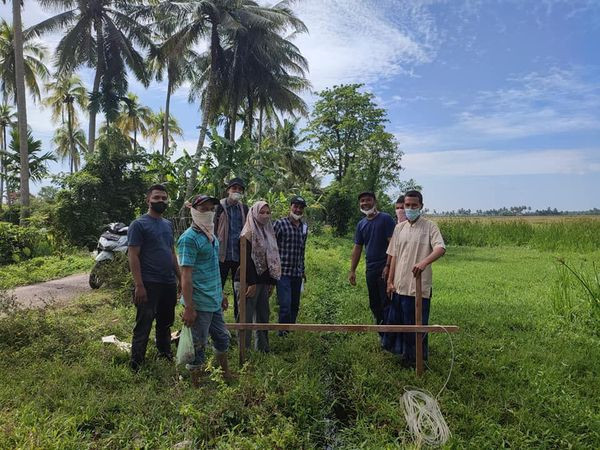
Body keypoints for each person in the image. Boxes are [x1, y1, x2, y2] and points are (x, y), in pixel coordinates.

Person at [385, 190, 446, 366]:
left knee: (417, 325)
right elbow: (394, 255)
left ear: (421, 206)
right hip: (399, 285)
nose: (410, 208)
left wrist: (424, 262)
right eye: (407, 205)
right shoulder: (399, 228)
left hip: (418, 287)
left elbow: (440, 248)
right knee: (400, 323)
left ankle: (416, 360)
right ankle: (402, 355)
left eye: (414, 205)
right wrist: (390, 281)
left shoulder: (430, 227)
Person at [178, 194, 233, 384]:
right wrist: (189, 307)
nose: (208, 212)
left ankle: (225, 373)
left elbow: (214, 268)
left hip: (213, 300)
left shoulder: (211, 236)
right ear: (193, 210)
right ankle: (197, 385)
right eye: (203, 209)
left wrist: (222, 294)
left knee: (222, 338)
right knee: (198, 345)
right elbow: (185, 275)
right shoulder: (189, 239)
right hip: (198, 303)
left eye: (211, 209)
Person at [128, 184, 181, 371]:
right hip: (149, 283)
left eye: (164, 198)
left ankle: (165, 354)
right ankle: (136, 363)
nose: (161, 201)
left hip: (168, 282)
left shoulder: (167, 225)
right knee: (144, 323)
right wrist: (139, 285)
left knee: (165, 322)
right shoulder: (139, 225)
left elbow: (171, 252)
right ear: (148, 200)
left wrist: (180, 278)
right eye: (157, 197)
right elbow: (133, 255)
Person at [348, 191, 396, 333]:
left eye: (368, 200)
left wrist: (388, 266)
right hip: (370, 269)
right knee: (374, 303)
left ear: (374, 201)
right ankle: (382, 332)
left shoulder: (385, 219)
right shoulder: (361, 224)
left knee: (386, 302)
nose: (365, 203)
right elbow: (357, 248)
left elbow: (393, 245)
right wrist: (352, 270)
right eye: (362, 201)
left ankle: (390, 335)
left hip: (384, 268)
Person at [239, 201, 281, 352]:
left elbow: (271, 258)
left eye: (267, 213)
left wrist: (271, 282)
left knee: (263, 316)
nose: (265, 216)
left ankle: (263, 350)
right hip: (248, 281)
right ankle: (245, 351)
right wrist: (251, 282)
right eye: (261, 212)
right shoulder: (248, 233)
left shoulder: (268, 232)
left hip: (263, 280)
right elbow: (246, 261)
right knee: (247, 317)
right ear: (254, 213)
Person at [214, 178, 248, 320]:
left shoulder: (244, 209)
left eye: (240, 190)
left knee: (239, 291)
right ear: (228, 190)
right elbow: (213, 228)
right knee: (217, 289)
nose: (237, 192)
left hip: (239, 257)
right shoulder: (219, 207)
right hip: (221, 256)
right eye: (234, 189)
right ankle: (217, 322)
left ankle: (238, 323)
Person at [274, 196, 309, 335]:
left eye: (301, 207)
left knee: (295, 304)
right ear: (290, 207)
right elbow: (272, 248)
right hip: (283, 272)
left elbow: (302, 250)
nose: (298, 210)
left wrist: (303, 270)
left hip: (297, 272)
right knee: (285, 305)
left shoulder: (304, 227)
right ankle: (282, 332)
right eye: (296, 206)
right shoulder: (280, 224)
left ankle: (290, 330)